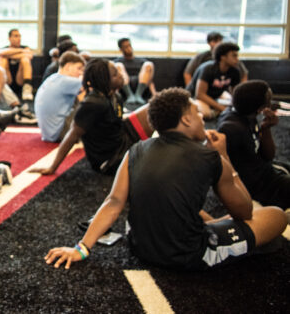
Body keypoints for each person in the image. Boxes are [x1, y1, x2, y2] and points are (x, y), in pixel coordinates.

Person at [43, 88, 287, 271]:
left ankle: (214, 227)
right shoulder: (210, 157)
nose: (202, 117)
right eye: (197, 112)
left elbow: (113, 202)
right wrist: (224, 157)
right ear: (186, 120)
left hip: (139, 246)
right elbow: (244, 211)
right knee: (275, 215)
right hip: (188, 254)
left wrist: (81, 248)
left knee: (183, 202)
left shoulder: (136, 150)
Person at [30, 58, 153, 176]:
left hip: (120, 139)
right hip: (110, 159)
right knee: (155, 108)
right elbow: (72, 135)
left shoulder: (116, 97)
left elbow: (117, 122)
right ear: (105, 80)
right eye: (115, 75)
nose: (121, 76)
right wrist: (53, 167)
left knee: (156, 106)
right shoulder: (93, 103)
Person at [217, 80, 290, 212]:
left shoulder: (246, 114)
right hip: (257, 185)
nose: (271, 101)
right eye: (268, 99)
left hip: (263, 170)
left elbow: (268, 156)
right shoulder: (232, 129)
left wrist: (265, 128)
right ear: (260, 108)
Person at [34, 51, 86, 143]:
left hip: (49, 133)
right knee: (91, 101)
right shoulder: (67, 81)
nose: (80, 73)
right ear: (68, 66)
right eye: (78, 68)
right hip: (60, 132)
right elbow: (88, 88)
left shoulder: (52, 78)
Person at [186, 41, 241, 120]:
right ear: (223, 57)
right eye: (234, 56)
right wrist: (222, 108)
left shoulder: (234, 71)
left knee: (233, 104)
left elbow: (235, 93)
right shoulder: (208, 69)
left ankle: (216, 111)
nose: (237, 59)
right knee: (205, 113)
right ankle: (215, 112)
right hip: (196, 98)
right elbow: (200, 95)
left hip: (215, 97)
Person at [184, 31, 248, 86]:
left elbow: (244, 74)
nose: (218, 43)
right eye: (215, 41)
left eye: (220, 40)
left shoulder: (233, 63)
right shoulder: (204, 62)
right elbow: (187, 73)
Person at [114, 37, 156, 106]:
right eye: (126, 47)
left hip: (141, 86)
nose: (129, 48)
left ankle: (138, 95)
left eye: (129, 45)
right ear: (121, 49)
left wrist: (155, 95)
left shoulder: (141, 61)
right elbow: (114, 81)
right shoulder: (117, 61)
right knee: (118, 65)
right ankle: (129, 95)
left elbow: (150, 80)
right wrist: (114, 95)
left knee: (149, 64)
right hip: (124, 87)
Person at [0, 28, 35, 102]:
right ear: (9, 38)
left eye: (19, 36)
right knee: (2, 60)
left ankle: (27, 90)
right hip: (8, 81)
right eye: (16, 36)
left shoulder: (25, 47)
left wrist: (8, 55)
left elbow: (29, 55)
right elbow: (0, 53)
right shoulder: (5, 48)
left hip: (20, 80)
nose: (19, 38)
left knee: (25, 59)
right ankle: (1, 89)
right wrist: (21, 51)